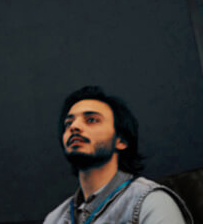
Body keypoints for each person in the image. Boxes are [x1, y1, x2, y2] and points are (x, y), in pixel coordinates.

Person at [43, 86, 192, 224]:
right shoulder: (54, 219)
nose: (74, 127)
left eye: (91, 120)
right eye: (68, 123)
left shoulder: (150, 201)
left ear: (121, 140)